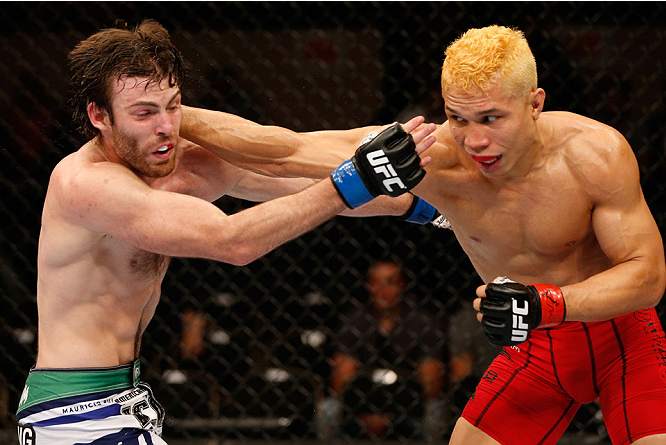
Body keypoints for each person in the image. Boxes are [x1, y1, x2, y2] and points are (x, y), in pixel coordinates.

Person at [181, 25, 666, 445]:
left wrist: (546, 303)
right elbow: (286, 151)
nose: (475, 139)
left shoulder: (594, 155)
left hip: (623, 341)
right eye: (458, 117)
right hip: (536, 352)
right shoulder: (433, 155)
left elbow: (647, 276)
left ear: (535, 103)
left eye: (491, 118)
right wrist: (172, 116)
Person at [14, 20, 438, 444]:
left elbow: (295, 176)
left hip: (123, 396)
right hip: (74, 412)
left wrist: (428, 208)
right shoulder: (84, 184)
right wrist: (353, 180)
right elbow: (233, 242)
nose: (166, 126)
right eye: (144, 113)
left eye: (174, 106)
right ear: (99, 116)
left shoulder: (178, 159)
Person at [326, 259, 444, 440]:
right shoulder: (354, 321)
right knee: (328, 410)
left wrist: (392, 413)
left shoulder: (422, 322)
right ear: (368, 286)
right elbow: (341, 381)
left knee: (435, 411)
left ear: (402, 285)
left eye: (390, 283)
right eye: (376, 283)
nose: (383, 291)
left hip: (409, 407)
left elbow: (430, 383)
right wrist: (366, 414)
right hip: (360, 407)